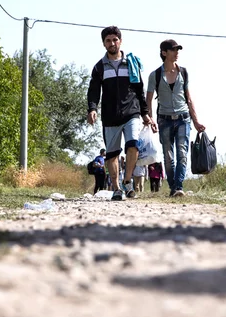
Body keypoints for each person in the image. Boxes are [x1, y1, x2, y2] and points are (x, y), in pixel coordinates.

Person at [87, 26, 156, 201]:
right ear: (104, 44)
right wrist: (92, 108)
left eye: (115, 40)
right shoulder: (99, 67)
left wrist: (145, 113)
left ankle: (127, 181)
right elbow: (93, 91)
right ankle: (117, 189)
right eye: (108, 40)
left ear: (120, 41)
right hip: (110, 116)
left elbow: (140, 90)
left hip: (131, 113)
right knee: (112, 155)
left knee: (133, 145)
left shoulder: (131, 63)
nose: (112, 43)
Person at [146, 39, 205, 197]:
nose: (177, 52)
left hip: (183, 118)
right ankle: (173, 186)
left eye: (178, 50)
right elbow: (148, 100)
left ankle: (178, 186)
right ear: (164, 53)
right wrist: (150, 119)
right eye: (173, 50)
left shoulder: (183, 72)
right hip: (164, 119)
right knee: (168, 156)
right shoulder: (155, 75)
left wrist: (196, 121)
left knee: (182, 152)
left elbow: (189, 99)